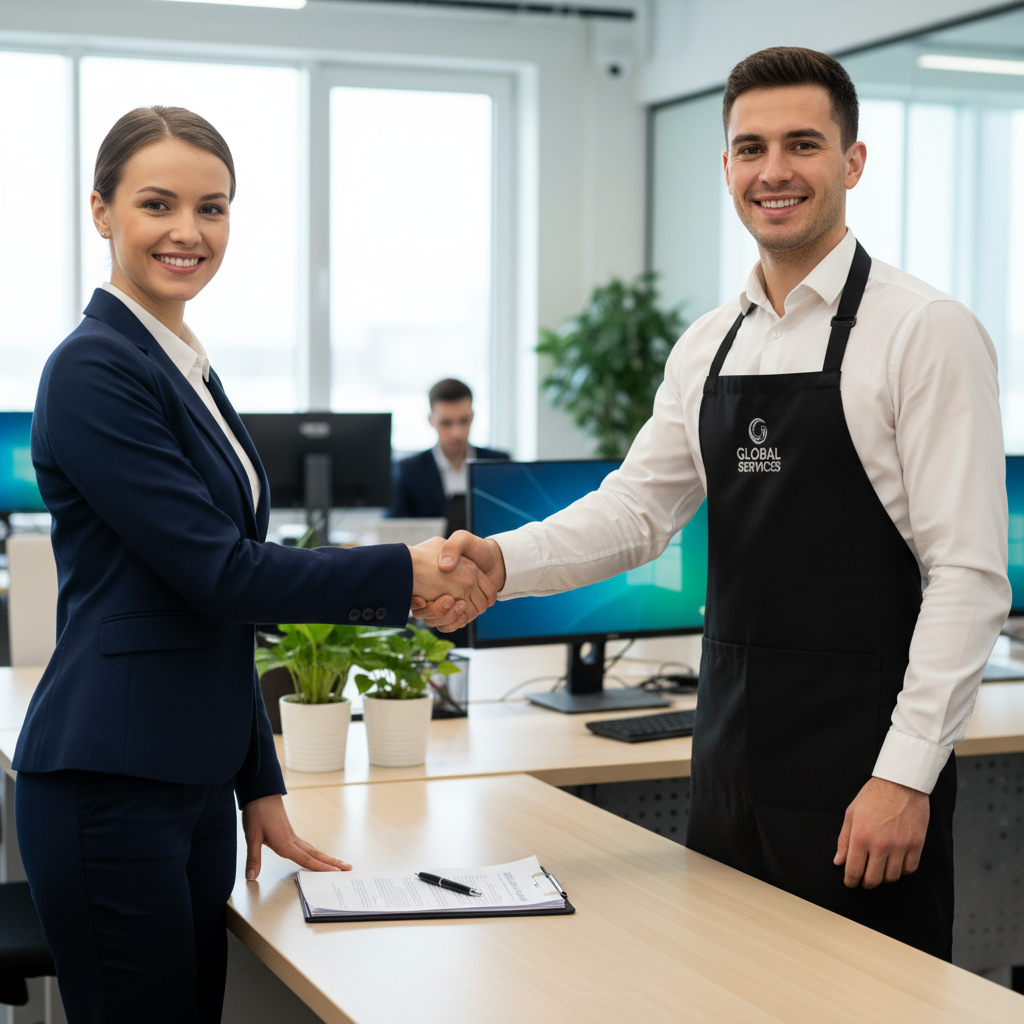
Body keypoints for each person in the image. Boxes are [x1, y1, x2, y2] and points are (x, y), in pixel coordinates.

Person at [419, 48, 1011, 960]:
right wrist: (503, 563)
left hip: (865, 778)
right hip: (727, 765)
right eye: (751, 148)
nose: (774, 170)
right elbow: (635, 513)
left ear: (852, 163)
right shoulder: (709, 344)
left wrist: (906, 776)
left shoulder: (924, 332)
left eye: (803, 144)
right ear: (728, 168)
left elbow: (967, 577)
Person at [15, 106, 494, 1023]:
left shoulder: (181, 363)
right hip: (110, 784)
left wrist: (258, 783)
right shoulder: (93, 369)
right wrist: (404, 573)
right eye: (158, 204)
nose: (189, 232)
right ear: (101, 211)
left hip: (188, 781)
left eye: (214, 208)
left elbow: (208, 619)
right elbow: (222, 575)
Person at [387, 378, 508, 532]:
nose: (456, 433)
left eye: (464, 421)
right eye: (446, 423)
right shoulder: (407, 470)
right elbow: (393, 531)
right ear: (431, 421)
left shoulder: (498, 464)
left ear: (472, 417)